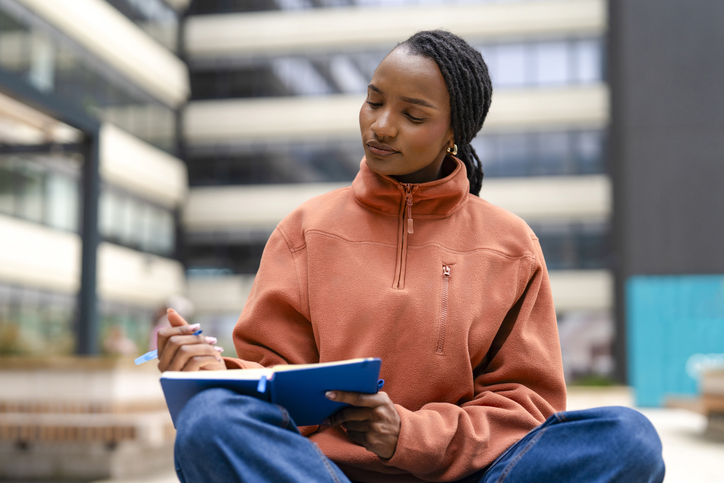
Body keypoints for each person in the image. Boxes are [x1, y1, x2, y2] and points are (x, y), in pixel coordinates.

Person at [157, 30, 665, 482]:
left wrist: (407, 433)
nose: (381, 126)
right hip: (322, 473)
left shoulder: (511, 245)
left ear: (454, 134)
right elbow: (274, 381)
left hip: (469, 474)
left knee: (628, 438)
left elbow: (523, 407)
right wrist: (210, 370)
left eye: (412, 115)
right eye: (373, 101)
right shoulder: (304, 231)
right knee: (210, 424)